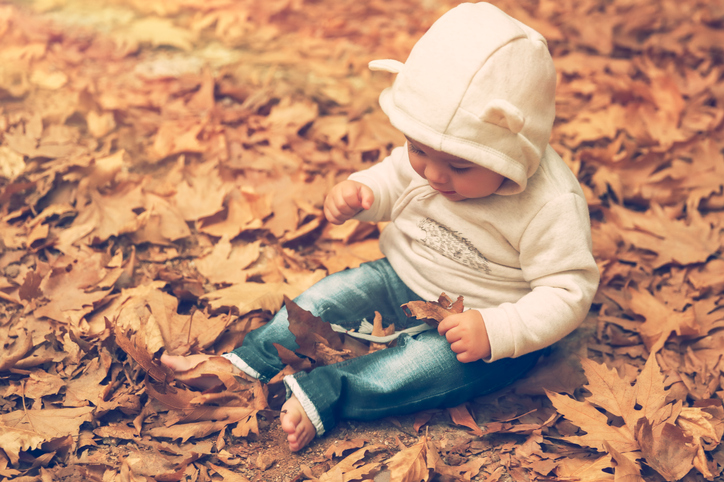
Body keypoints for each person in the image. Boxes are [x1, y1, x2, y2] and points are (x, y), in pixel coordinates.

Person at [161, 2, 600, 452]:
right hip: (402, 277)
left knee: (417, 371)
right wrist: (362, 191)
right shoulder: (436, 149)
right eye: (419, 150)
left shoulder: (549, 204)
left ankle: (330, 393)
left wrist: (500, 330)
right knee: (325, 298)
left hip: (487, 322)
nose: (433, 175)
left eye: (458, 167)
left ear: (512, 154)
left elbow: (567, 289)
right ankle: (245, 362)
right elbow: (394, 177)